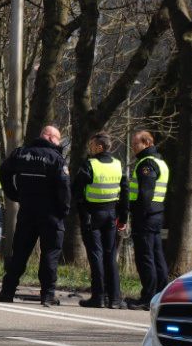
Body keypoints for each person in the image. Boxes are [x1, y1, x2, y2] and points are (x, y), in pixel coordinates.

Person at [0, 124, 72, 306]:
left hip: (27, 211)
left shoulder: (21, 153)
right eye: (58, 139)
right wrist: (64, 210)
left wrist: (13, 194)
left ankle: (7, 291)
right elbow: (64, 188)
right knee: (50, 254)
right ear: (51, 138)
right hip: (51, 213)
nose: (59, 143)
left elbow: (3, 173)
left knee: (20, 253)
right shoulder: (56, 159)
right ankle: (47, 295)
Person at [72, 132, 123, 309]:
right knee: (110, 256)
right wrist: (123, 217)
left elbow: (76, 191)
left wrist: (82, 213)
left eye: (92, 145)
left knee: (96, 256)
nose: (90, 148)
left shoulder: (90, 165)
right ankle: (115, 298)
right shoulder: (118, 165)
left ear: (100, 147)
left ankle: (98, 297)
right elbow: (123, 193)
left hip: (93, 216)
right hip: (111, 215)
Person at [123, 129, 170, 309]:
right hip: (156, 214)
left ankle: (148, 298)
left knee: (145, 257)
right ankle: (161, 294)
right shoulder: (160, 161)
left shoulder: (147, 164)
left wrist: (136, 213)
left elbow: (145, 194)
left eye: (137, 144)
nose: (134, 147)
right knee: (157, 255)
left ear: (147, 143)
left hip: (145, 215)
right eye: (133, 144)